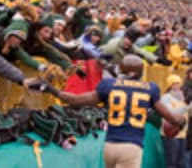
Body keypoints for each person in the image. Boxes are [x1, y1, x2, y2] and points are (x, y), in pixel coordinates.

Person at [50, 54, 185, 168]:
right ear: (141, 71)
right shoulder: (150, 88)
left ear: (121, 69)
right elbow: (170, 117)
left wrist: (52, 90)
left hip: (109, 146)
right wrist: (181, 120)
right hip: (131, 147)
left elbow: (76, 100)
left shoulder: (109, 84)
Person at [161, 74, 189, 168]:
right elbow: (170, 113)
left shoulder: (182, 98)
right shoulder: (165, 97)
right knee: (171, 163)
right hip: (170, 133)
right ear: (170, 85)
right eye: (174, 84)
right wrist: (186, 108)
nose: (177, 86)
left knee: (182, 163)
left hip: (182, 133)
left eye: (178, 83)